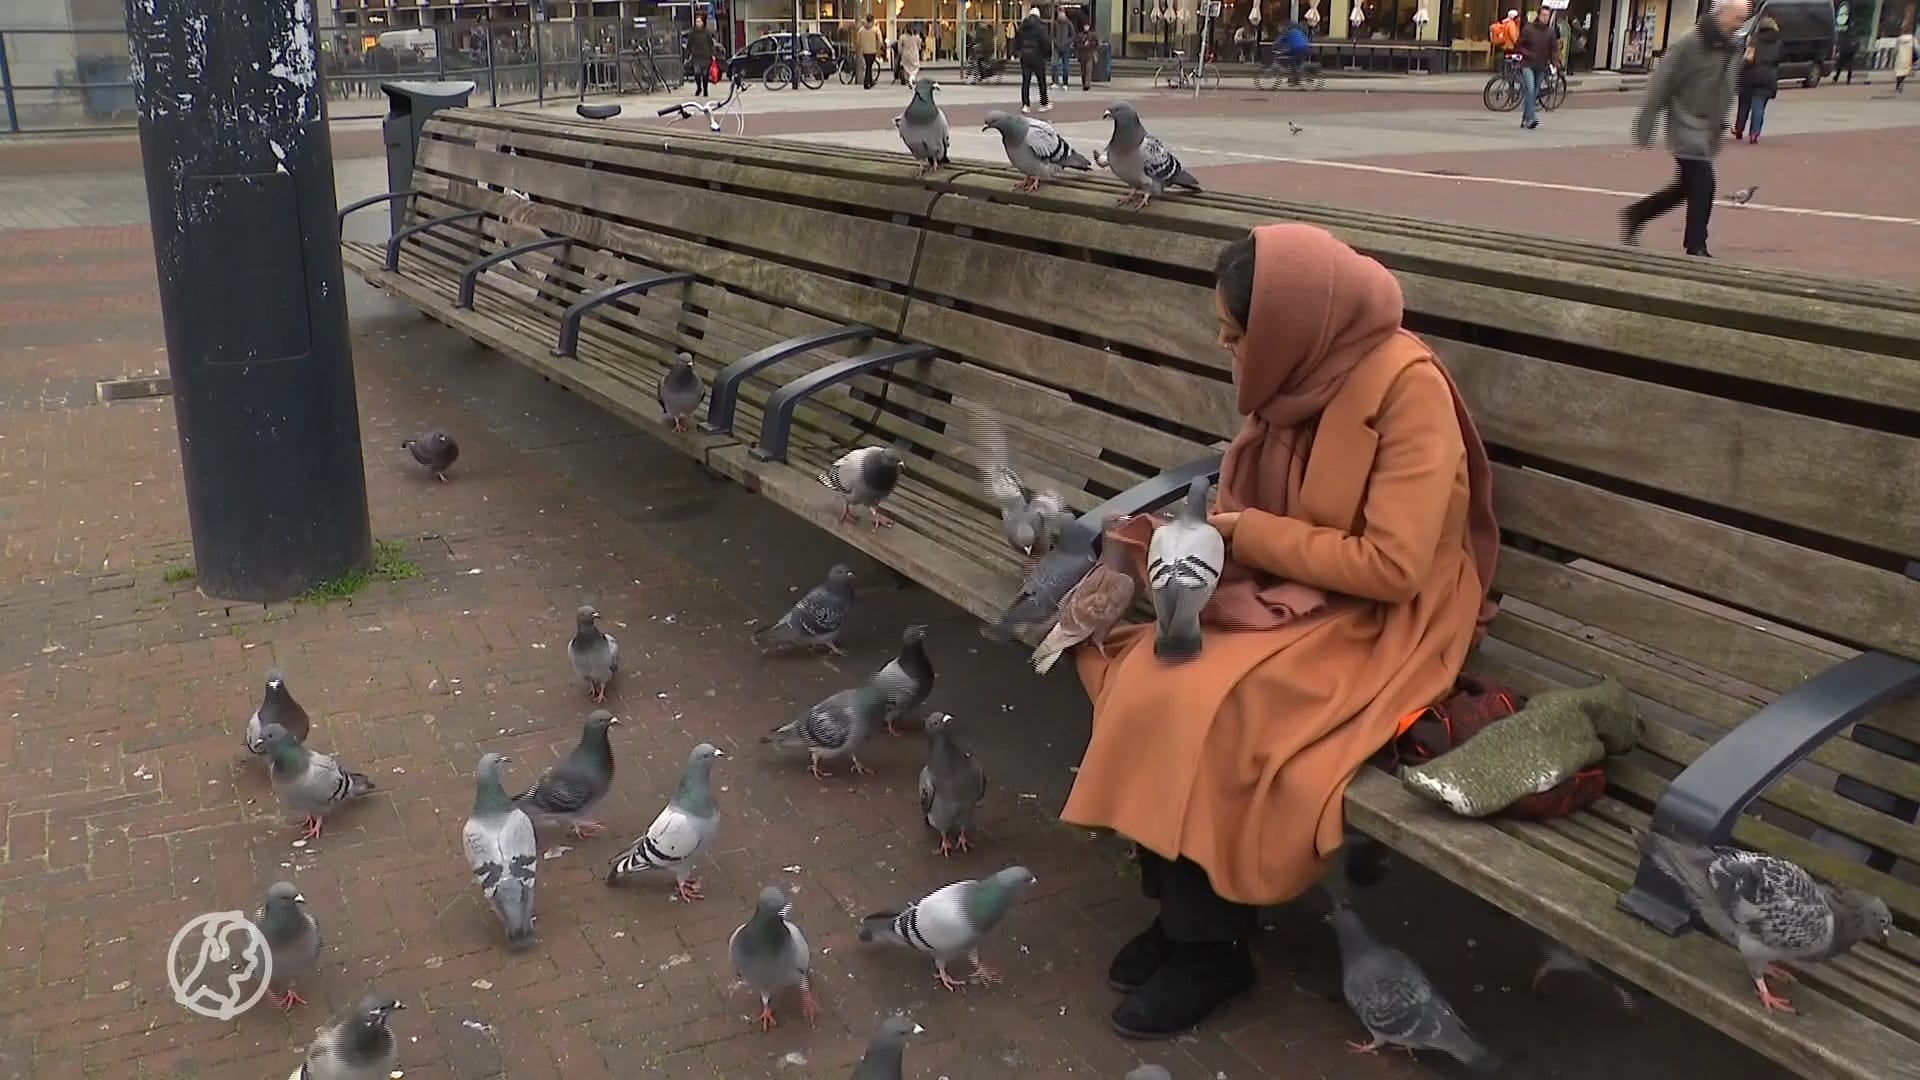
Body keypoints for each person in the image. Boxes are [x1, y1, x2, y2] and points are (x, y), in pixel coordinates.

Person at [1065, 222, 1498, 1041]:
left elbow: (1394, 568)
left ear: (1297, 328)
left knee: (1205, 699)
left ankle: (1212, 949)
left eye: (1238, 334)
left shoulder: (1408, 389)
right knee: (1153, 666)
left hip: (1387, 621)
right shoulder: (1308, 371)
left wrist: (1244, 533)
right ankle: (1181, 916)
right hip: (1298, 592)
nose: (1230, 350)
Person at [1621, 0, 1749, 258]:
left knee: (1686, 186)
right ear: (1721, 15)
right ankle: (1696, 245)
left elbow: (1724, 86)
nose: (1740, 24)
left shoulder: (1731, 46)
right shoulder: (1690, 43)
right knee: (1703, 181)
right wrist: (1646, 123)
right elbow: (1662, 81)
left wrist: (1720, 122)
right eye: (1737, 18)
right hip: (1685, 121)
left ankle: (1637, 213)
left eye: (1743, 19)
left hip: (1707, 125)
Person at [1732, 15, 1780, 143]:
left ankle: (1739, 129)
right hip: (1768, 76)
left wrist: (1740, 70)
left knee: (1744, 104)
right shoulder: (1778, 42)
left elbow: (1748, 57)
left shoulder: (1754, 39)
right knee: (1759, 107)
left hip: (1751, 74)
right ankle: (1754, 134)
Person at [1517, 7, 1555, 129]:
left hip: (1541, 65)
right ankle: (1531, 118)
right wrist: (1527, 54)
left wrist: (1554, 63)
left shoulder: (1550, 32)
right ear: (1538, 15)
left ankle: (1525, 118)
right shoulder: (1528, 29)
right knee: (1530, 88)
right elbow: (1519, 45)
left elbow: (1553, 49)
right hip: (1527, 64)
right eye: (1543, 15)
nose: (1545, 18)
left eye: (1547, 16)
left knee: (1534, 92)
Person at [1017, 7, 1054, 112]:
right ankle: (1044, 103)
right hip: (1038, 57)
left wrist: (1019, 52)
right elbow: (1046, 42)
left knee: (1026, 81)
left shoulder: (1022, 27)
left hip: (1025, 56)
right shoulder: (1040, 28)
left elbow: (1017, 41)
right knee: (1041, 81)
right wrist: (1047, 55)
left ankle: (1025, 104)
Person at [686, 12, 716, 98]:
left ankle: (705, 89)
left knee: (705, 75)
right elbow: (689, 44)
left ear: (703, 22)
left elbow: (711, 44)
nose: (697, 23)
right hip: (696, 57)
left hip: (705, 57)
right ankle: (699, 88)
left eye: (699, 21)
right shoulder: (693, 33)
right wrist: (688, 55)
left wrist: (712, 54)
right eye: (696, 21)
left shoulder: (707, 32)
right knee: (697, 73)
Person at [855, 16, 884, 89]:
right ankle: (867, 82)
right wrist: (879, 48)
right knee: (869, 66)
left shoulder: (861, 30)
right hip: (873, 50)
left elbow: (858, 41)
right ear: (872, 20)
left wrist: (861, 47)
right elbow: (880, 40)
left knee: (869, 65)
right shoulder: (875, 29)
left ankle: (870, 81)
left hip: (865, 51)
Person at [1075, 19, 1102, 90]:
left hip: (1090, 54)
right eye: (1085, 26)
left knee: (1088, 69)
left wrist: (1090, 44)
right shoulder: (1079, 35)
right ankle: (1084, 82)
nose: (1086, 27)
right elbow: (1077, 45)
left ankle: (1087, 84)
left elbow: (1097, 44)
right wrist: (1083, 45)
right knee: (1083, 70)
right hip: (1082, 55)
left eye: (1087, 26)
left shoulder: (1093, 35)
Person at [1054, 7, 1077, 87]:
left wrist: (1068, 42)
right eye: (1059, 13)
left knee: (1065, 66)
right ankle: (1055, 81)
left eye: (1061, 13)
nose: (1060, 14)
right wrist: (1055, 42)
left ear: (1064, 13)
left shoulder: (1068, 23)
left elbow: (1073, 35)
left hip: (1066, 47)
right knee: (1055, 64)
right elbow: (1052, 34)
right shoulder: (1055, 23)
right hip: (1057, 47)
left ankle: (1065, 82)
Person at [1896, 10, 1915, 93]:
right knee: (1904, 71)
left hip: (1900, 56)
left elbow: (1896, 47)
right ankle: (1902, 83)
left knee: (1899, 71)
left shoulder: (1899, 39)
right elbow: (1916, 48)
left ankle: (1898, 83)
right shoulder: (1912, 39)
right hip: (1908, 56)